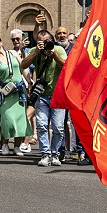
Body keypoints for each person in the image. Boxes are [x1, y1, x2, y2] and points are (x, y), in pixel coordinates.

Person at [21, 28, 67, 166]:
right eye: (40, 42)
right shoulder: (35, 50)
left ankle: (55, 154)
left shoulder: (58, 50)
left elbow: (67, 66)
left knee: (58, 127)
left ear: (51, 40)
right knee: (41, 126)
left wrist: (54, 56)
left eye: (46, 41)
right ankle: (45, 154)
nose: (44, 44)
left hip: (58, 95)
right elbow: (22, 65)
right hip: (41, 95)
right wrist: (35, 51)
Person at [0, 35, 29, 155]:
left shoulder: (12, 53)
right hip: (5, 92)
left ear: (1, 42)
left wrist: (29, 82)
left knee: (20, 119)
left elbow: (23, 67)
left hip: (19, 91)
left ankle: (16, 146)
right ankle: (4, 144)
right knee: (7, 119)